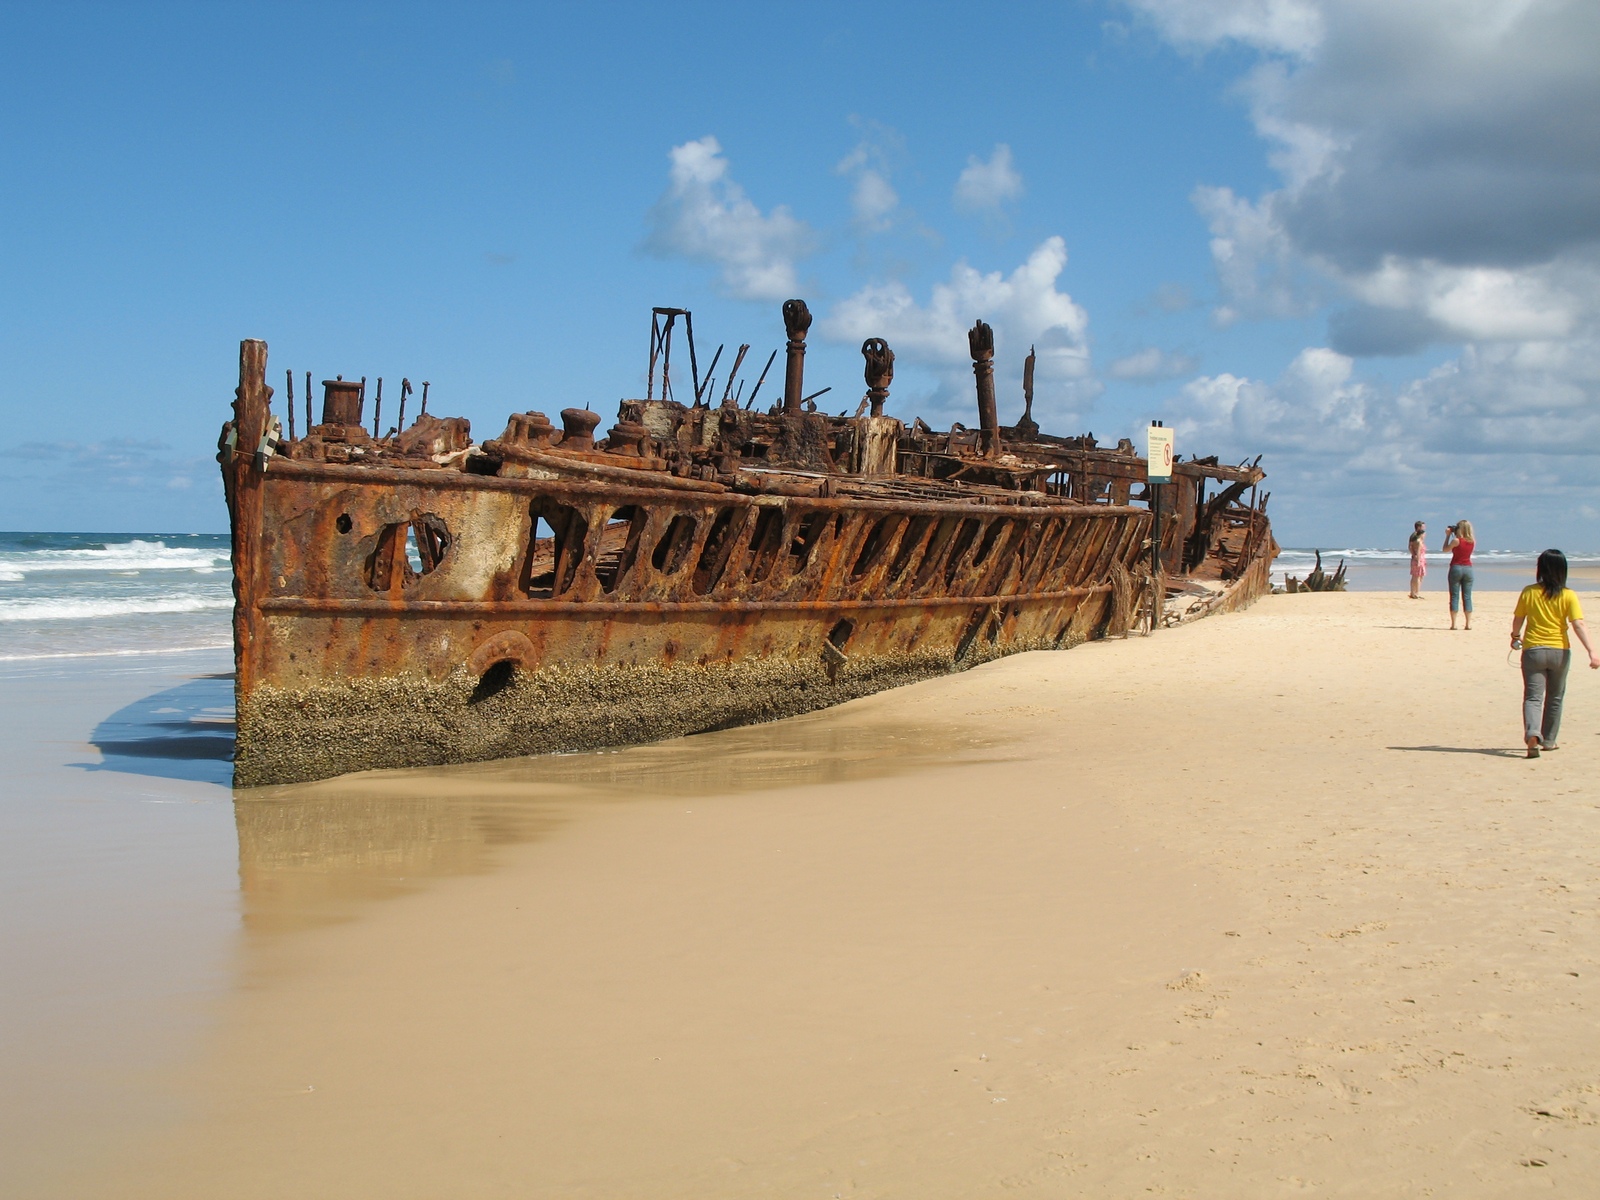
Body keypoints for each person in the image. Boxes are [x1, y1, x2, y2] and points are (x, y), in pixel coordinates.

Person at [1510, 549, 1599, 758]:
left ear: (1540, 569)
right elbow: (1578, 624)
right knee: (1555, 697)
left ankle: (1532, 733)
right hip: (1560, 651)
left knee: (1533, 697)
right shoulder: (1568, 595)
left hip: (1533, 650)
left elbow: (1518, 619)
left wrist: (1515, 636)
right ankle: (1549, 740)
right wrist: (1592, 651)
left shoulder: (1529, 592)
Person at [1442, 519, 1475, 629]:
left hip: (1456, 567)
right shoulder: (1472, 541)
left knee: (1454, 596)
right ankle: (1468, 624)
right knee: (1467, 596)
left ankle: (1454, 624)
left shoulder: (1456, 540)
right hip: (1468, 568)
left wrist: (1447, 536)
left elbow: (1445, 549)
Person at [1408, 520, 1427, 598]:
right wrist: (1417, 558)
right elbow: (1417, 550)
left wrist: (1413, 555)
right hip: (1419, 559)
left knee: (1415, 576)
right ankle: (1416, 593)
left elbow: (1410, 547)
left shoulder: (1413, 537)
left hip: (1415, 558)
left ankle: (1413, 592)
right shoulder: (1418, 539)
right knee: (1418, 576)